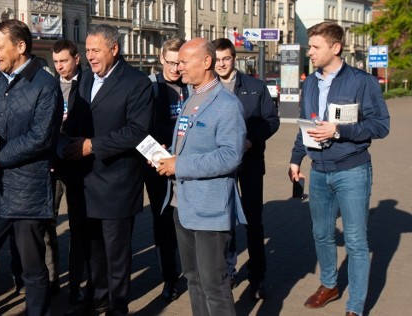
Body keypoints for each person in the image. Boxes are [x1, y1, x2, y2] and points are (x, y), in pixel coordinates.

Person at [288, 22, 390, 316]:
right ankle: (329, 285)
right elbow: (304, 124)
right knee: (321, 233)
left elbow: (380, 126)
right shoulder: (309, 82)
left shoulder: (361, 81)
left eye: (316, 47)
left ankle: (355, 306)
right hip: (318, 171)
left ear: (336, 48)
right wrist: (296, 159)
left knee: (357, 241)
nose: (310, 52)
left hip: (352, 171)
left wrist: (339, 131)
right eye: (310, 46)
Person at [0, 19, 63, 316]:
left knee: (32, 269)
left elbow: (41, 138)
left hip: (27, 193)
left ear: (20, 47)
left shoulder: (45, 85)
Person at [63, 24, 153, 315]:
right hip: (85, 180)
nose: (90, 56)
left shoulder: (137, 82)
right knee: (92, 250)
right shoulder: (85, 80)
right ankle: (96, 296)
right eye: (87, 50)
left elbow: (138, 131)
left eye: (95, 50)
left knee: (116, 253)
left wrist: (92, 146)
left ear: (114, 49)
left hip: (117, 182)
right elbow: (75, 122)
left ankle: (118, 306)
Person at [156, 38, 246, 316]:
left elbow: (230, 156)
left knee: (214, 285)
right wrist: (167, 154)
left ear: (206, 62)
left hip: (209, 209)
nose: (178, 67)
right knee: (193, 279)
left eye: (184, 62)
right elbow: (188, 145)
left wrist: (179, 165)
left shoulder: (226, 104)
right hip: (180, 205)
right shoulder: (191, 97)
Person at [212, 37, 280, 299]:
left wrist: (251, 140)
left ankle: (257, 277)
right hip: (220, 165)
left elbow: (271, 121)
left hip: (250, 162)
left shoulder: (254, 87)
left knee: (253, 221)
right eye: (217, 60)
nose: (221, 64)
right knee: (225, 221)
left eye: (226, 59)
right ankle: (228, 272)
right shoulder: (208, 88)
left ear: (234, 59)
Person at [147, 37, 187, 302]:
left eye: (179, 63)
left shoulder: (191, 85)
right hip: (158, 165)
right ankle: (169, 279)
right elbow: (139, 127)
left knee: (186, 223)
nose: (175, 68)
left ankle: (192, 272)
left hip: (186, 164)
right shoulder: (150, 87)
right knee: (162, 223)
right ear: (161, 59)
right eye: (170, 62)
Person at [51, 38, 88, 305]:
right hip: (52, 165)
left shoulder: (87, 85)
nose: (60, 67)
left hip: (78, 165)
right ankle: (52, 280)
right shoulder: (50, 87)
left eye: (64, 61)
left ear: (76, 58)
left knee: (79, 228)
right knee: (46, 223)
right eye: (55, 62)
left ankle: (76, 283)